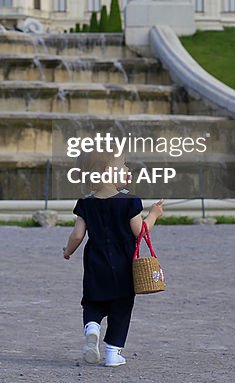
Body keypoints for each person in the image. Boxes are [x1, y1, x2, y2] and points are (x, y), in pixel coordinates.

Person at [62, 154, 165, 367]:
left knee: (93, 300)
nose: (127, 168)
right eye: (122, 165)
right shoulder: (129, 202)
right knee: (121, 306)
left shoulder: (85, 203)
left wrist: (68, 251)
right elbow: (140, 232)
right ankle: (112, 353)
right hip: (123, 265)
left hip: (95, 263)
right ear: (108, 171)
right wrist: (154, 214)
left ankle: (92, 326)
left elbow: (78, 235)